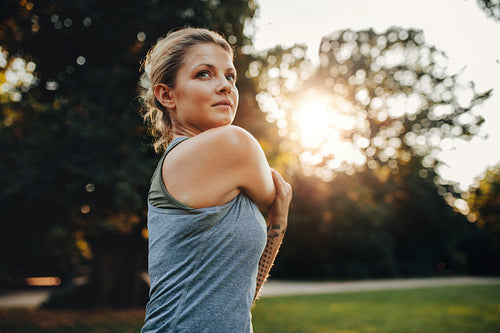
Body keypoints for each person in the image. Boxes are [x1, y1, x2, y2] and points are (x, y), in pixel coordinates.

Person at [139, 27, 292, 332]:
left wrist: (278, 223)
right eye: (204, 74)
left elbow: (239, 296)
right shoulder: (233, 144)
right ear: (167, 95)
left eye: (230, 76)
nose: (225, 86)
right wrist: (279, 216)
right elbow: (274, 195)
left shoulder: (205, 161)